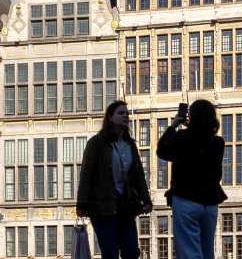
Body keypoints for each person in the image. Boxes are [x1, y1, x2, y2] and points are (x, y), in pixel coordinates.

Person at [77, 100, 152, 259]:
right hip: (103, 207)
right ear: (110, 117)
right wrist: (82, 203)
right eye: (120, 113)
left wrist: (146, 199)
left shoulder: (130, 144)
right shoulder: (96, 143)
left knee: (131, 251)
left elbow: (138, 175)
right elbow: (86, 174)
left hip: (126, 206)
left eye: (126, 113)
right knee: (110, 252)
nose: (125, 116)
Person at [156, 99, 226, 259]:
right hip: (210, 203)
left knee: (189, 251)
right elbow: (201, 140)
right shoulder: (218, 143)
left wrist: (174, 126)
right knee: (207, 250)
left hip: (186, 199)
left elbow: (162, 150)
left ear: (192, 116)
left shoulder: (182, 138)